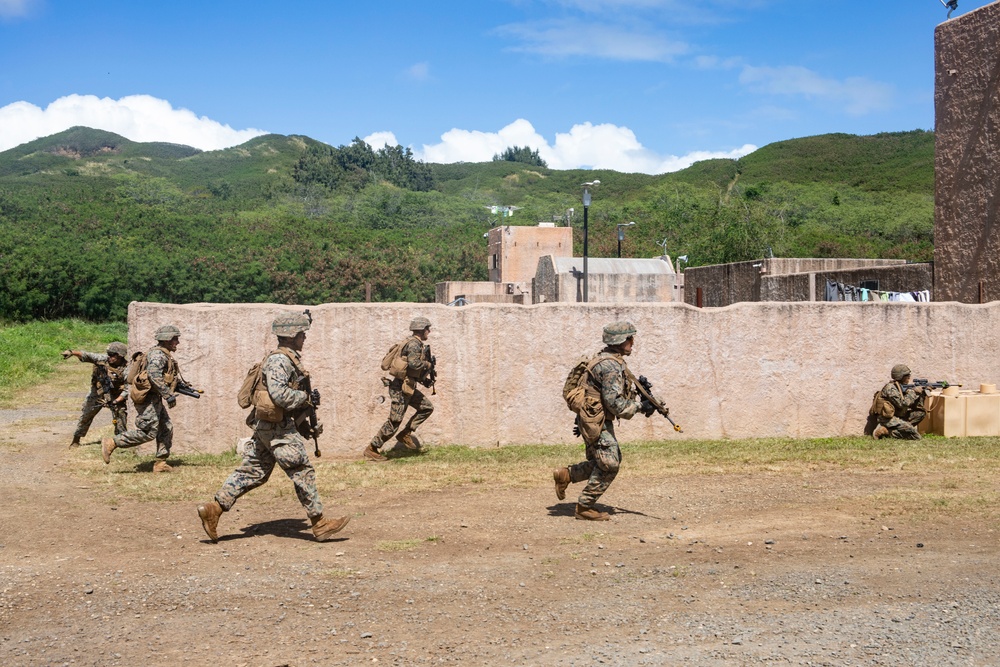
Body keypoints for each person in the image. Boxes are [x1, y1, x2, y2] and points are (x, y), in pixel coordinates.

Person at [196, 312, 349, 543]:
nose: (304, 338)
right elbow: (279, 396)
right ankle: (319, 524)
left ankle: (214, 510)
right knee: (301, 471)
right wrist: (305, 397)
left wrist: (305, 425)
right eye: (301, 334)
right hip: (278, 429)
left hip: (270, 427)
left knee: (254, 471)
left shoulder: (288, 358)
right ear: (291, 335)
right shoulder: (280, 360)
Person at [553, 321, 643, 521]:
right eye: (630, 338)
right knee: (610, 463)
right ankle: (584, 506)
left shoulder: (608, 359)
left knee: (600, 461)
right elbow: (615, 404)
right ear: (619, 341)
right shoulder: (610, 365)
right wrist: (639, 407)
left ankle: (567, 475)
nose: (632, 342)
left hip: (593, 418)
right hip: (596, 420)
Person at [102, 324, 184, 472]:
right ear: (166, 339)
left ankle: (160, 463)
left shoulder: (162, 353)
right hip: (148, 399)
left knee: (165, 427)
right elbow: (154, 375)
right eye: (175, 339)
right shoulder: (158, 355)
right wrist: (168, 394)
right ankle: (113, 442)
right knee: (148, 432)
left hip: (154, 397)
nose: (177, 342)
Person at [363, 316, 435, 462]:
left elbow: (411, 368)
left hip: (407, 386)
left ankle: (406, 433)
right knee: (395, 420)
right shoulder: (414, 344)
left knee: (426, 407)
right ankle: (372, 448)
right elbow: (414, 364)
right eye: (427, 328)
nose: (429, 331)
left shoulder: (414, 343)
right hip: (401, 388)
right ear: (422, 330)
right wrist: (427, 365)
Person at [63, 342, 129, 448]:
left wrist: (118, 400)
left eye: (112, 355)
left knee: (120, 416)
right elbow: (87, 355)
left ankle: (120, 441)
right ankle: (76, 439)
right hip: (97, 393)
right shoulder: (102, 359)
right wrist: (72, 352)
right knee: (86, 415)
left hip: (115, 395)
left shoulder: (127, 368)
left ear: (120, 356)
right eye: (109, 354)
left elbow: (127, 388)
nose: (109, 357)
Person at [870, 364, 926, 440]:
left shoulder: (902, 387)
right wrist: (913, 392)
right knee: (915, 436)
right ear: (900, 376)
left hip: (899, 416)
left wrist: (922, 394)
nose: (909, 377)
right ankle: (886, 431)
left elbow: (915, 406)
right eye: (907, 375)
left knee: (920, 413)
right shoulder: (890, 388)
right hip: (887, 419)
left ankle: (903, 428)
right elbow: (902, 404)